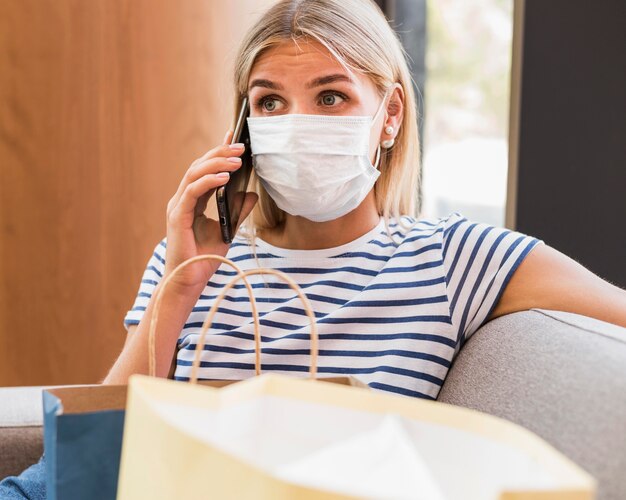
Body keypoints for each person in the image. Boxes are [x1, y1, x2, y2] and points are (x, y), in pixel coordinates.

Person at [2, 0, 624, 497]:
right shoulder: (194, 252)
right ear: (244, 127)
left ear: (389, 115)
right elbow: (88, 460)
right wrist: (182, 285)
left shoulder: (453, 259)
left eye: (331, 96)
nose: (297, 120)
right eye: (270, 101)